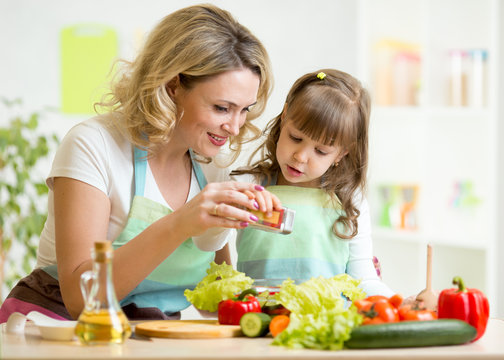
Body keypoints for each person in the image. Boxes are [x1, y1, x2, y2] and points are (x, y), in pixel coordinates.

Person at [0, 4, 278, 323]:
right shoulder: (94, 145)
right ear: (173, 87)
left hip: (143, 338)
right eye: (221, 108)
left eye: (244, 110)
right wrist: (180, 223)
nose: (234, 127)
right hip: (56, 330)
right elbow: (80, 299)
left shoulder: (212, 165)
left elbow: (213, 296)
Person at [232, 69, 394, 297]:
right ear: (284, 116)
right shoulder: (251, 184)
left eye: (321, 151)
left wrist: (397, 303)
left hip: (325, 327)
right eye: (295, 138)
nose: (301, 156)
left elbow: (364, 279)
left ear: (341, 153)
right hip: (256, 322)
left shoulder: (349, 200)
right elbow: (209, 242)